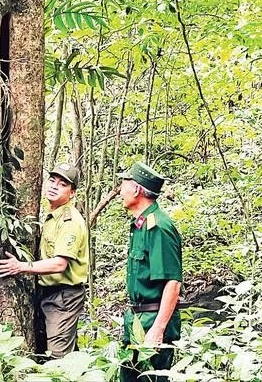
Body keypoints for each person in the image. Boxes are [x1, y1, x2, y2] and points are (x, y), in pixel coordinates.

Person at [0, 163, 89, 358]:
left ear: (72, 193)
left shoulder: (69, 222)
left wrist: (20, 267)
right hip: (48, 293)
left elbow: (60, 264)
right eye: (52, 181)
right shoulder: (52, 216)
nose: (54, 186)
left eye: (62, 184)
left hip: (64, 297)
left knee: (58, 358)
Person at [117, 162, 182, 382]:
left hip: (153, 322)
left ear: (136, 189)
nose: (119, 191)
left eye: (123, 184)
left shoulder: (159, 226)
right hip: (137, 320)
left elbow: (173, 283)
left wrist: (158, 329)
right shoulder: (141, 225)